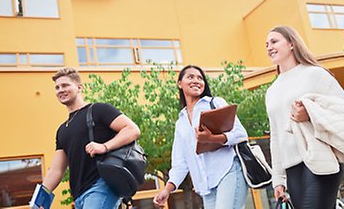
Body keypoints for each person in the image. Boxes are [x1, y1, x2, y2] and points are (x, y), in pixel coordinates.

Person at [266, 26, 344, 209]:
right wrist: (278, 178)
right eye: (267, 44)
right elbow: (275, 137)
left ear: (291, 43)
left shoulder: (315, 74)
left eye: (274, 41)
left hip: (320, 157)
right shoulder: (271, 91)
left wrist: (310, 114)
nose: (269, 47)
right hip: (292, 167)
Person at [40, 67, 140, 209]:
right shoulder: (62, 130)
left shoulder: (98, 110)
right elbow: (56, 170)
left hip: (101, 186)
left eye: (65, 85)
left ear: (79, 87)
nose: (60, 90)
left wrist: (104, 146)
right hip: (79, 195)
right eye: (57, 87)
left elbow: (132, 129)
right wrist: (40, 201)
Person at [153, 65, 249, 209]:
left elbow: (241, 135)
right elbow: (180, 162)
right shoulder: (181, 122)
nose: (196, 81)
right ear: (180, 83)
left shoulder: (215, 103)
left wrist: (212, 139)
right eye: (190, 77)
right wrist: (167, 189)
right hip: (205, 187)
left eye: (200, 78)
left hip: (228, 172)